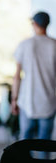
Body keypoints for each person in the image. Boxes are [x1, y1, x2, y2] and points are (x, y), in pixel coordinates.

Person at [11, 11, 56, 140]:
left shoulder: (25, 45)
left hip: (27, 100)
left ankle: (25, 161)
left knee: (25, 142)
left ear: (34, 24)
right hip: (48, 102)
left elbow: (17, 76)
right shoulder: (54, 45)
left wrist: (14, 99)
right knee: (45, 143)